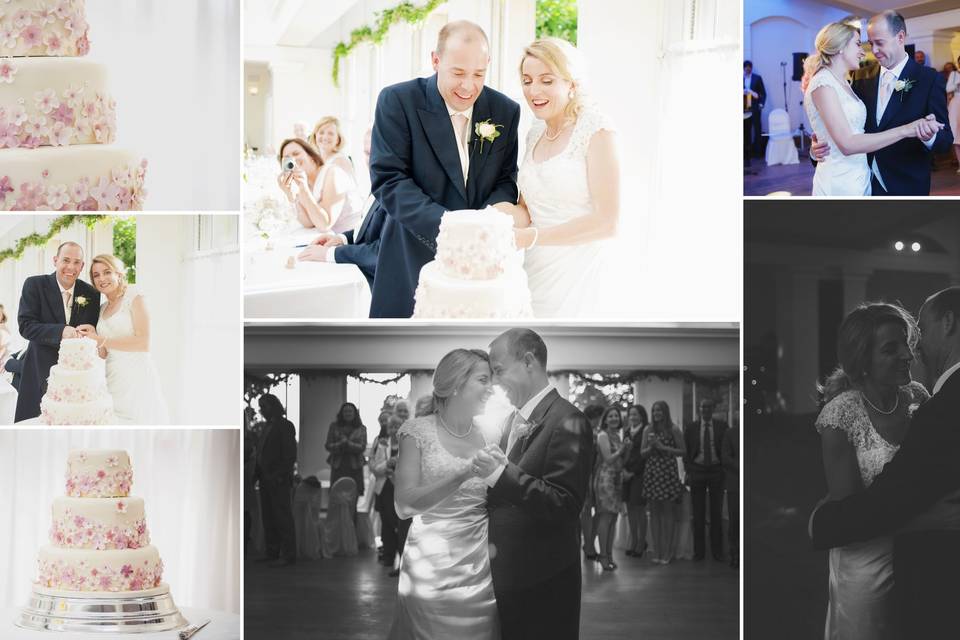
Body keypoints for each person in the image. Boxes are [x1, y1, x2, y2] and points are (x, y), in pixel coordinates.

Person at [367, 21, 520, 318]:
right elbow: (389, 179)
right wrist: (452, 229)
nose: (468, 86)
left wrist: (482, 227)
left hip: (480, 266)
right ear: (436, 60)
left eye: (478, 74)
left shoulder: (505, 110)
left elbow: (506, 179)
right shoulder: (398, 101)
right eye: (458, 73)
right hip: (411, 255)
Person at [811, 302, 929, 639]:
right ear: (862, 360)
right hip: (865, 564)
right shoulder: (841, 415)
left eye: (906, 343)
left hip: (917, 554)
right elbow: (849, 511)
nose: (907, 355)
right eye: (890, 349)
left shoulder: (917, 398)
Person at [493, 38, 620, 318]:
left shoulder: (597, 130)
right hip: (536, 272)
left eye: (547, 80)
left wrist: (531, 237)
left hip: (582, 275)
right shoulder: (535, 132)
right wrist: (497, 214)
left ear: (572, 84)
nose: (534, 90)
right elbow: (528, 209)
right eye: (527, 80)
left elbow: (607, 222)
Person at [483, 328, 593, 639]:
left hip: (543, 585)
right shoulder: (509, 421)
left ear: (529, 361)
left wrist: (500, 475)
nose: (493, 382)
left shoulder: (569, 420)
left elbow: (565, 505)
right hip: (508, 579)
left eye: (499, 371)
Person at [387, 348, 498, 638]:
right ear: (457, 384)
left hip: (482, 565)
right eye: (483, 380)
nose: (491, 389)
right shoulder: (417, 432)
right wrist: (463, 473)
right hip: (431, 565)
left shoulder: (492, 433)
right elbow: (403, 505)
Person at [809, 12, 953, 195]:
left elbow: (945, 141)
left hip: (906, 187)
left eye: (880, 42)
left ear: (900, 37)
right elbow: (845, 129)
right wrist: (817, 150)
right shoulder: (860, 76)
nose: (874, 50)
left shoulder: (929, 79)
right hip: (862, 182)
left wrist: (929, 137)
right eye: (870, 44)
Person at [15, 241, 100, 422]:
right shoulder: (34, 284)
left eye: (77, 262)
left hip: (75, 379)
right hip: (38, 370)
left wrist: (91, 330)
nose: (71, 267)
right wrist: (61, 331)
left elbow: (91, 330)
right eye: (66, 260)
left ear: (82, 266)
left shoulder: (91, 293)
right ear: (55, 260)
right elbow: (26, 326)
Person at [78, 255, 169, 424]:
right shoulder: (101, 309)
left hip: (137, 377)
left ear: (118, 274)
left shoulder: (134, 296)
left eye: (107, 272)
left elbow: (143, 343)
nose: (102, 278)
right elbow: (104, 353)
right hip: (113, 379)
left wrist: (101, 340)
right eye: (96, 275)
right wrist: (93, 335)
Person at [299, 126, 385, 287]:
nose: (371, 158)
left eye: (377, 150)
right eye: (367, 153)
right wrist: (342, 238)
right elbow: (370, 229)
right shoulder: (377, 182)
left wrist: (330, 253)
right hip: (355, 256)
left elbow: (381, 251)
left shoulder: (337, 167)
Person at [276, 137, 356, 234]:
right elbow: (308, 223)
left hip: (352, 241)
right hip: (330, 239)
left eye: (296, 153)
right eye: (287, 158)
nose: (293, 160)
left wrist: (304, 189)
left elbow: (324, 224)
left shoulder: (332, 173)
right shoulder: (305, 181)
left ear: (311, 156)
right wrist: (290, 194)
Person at [255, 393, 298, 567]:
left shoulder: (285, 425)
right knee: (269, 517)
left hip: (278, 479)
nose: (262, 410)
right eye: (261, 406)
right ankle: (272, 551)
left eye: (264, 406)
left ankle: (289, 554)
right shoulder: (266, 427)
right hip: (265, 478)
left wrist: (279, 475)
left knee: (283, 517)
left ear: (273, 406)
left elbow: (289, 455)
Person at [684, 397, 729, 561]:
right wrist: (689, 469)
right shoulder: (691, 428)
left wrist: (725, 469)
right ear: (699, 409)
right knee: (698, 514)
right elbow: (686, 451)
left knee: (716, 513)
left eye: (708, 407)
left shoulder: (722, 427)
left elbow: (727, 449)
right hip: (698, 470)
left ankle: (717, 552)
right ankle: (699, 552)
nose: (705, 410)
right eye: (702, 407)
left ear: (713, 409)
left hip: (717, 471)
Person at [641, 400, 685, 565]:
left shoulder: (673, 429)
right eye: (654, 410)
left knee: (668, 513)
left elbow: (683, 451)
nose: (656, 413)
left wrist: (662, 447)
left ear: (665, 412)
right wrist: (652, 447)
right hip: (652, 472)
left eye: (659, 410)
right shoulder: (648, 429)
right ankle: (657, 551)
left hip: (667, 473)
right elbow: (642, 453)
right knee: (654, 514)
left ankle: (668, 552)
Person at [592, 406, 631, 570]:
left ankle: (609, 555)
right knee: (605, 518)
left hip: (616, 479)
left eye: (616, 416)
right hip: (605, 479)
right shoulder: (603, 435)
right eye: (611, 416)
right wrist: (622, 449)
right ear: (605, 420)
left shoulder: (617, 436)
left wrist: (627, 449)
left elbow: (622, 460)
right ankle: (602, 557)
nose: (614, 418)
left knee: (614, 518)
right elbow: (608, 459)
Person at [372, 414, 408, 577]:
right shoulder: (380, 444)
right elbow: (374, 467)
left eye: (396, 426)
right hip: (383, 488)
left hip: (399, 488)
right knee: (386, 523)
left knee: (400, 525)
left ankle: (403, 562)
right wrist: (386, 464)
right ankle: (388, 556)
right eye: (391, 426)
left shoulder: (407, 443)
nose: (393, 429)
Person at [325, 402, 368, 505]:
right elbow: (328, 445)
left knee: (353, 500)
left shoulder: (362, 428)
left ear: (354, 413)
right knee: (337, 499)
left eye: (350, 411)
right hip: (338, 467)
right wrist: (340, 444)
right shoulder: (334, 426)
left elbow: (362, 447)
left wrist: (348, 444)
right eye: (345, 411)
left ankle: (352, 521)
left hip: (355, 468)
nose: (348, 413)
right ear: (341, 413)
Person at [622, 404, 649, 558]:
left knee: (639, 509)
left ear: (642, 416)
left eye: (636, 414)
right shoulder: (626, 432)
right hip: (626, 474)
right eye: (631, 414)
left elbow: (642, 456)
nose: (633, 417)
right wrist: (624, 470)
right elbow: (624, 453)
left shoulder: (646, 430)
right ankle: (633, 540)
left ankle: (641, 542)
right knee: (630, 509)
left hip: (639, 475)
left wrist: (633, 472)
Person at [580, 403, 604, 559]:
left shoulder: (596, 433)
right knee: (587, 511)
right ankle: (588, 546)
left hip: (597, 475)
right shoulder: (583, 432)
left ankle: (589, 544)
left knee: (598, 512)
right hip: (585, 475)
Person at [721, 421, 739, 569]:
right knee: (735, 521)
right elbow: (725, 457)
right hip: (735, 483)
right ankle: (734, 554)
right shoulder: (731, 432)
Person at [743, 60, 766, 157]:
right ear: (743, 68)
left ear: (751, 68)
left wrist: (761, 104)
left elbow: (763, 93)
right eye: (746, 67)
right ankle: (746, 153)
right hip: (744, 108)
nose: (748, 68)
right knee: (746, 130)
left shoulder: (757, 78)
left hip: (755, 107)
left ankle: (758, 153)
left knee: (757, 130)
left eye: (749, 66)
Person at [947, 57, 960, 173]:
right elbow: (948, 88)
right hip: (956, 104)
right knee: (956, 133)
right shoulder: (954, 74)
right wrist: (957, 84)